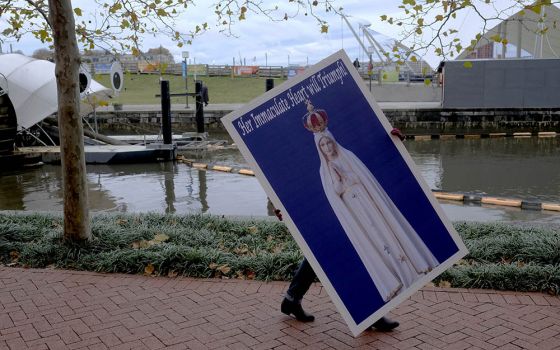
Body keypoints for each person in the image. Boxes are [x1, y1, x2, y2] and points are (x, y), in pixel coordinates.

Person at [279, 128, 421, 331]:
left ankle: (372, 312)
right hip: (337, 213)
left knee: (363, 251)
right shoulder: (320, 168)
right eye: (323, 144)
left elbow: (372, 162)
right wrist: (282, 206)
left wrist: (393, 145)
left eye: (329, 142)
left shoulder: (349, 156)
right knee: (324, 253)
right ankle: (294, 298)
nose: (328, 147)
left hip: (363, 208)